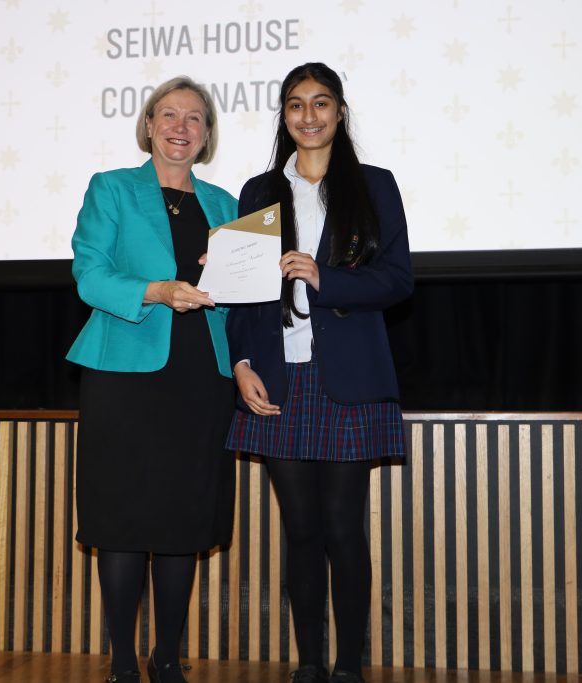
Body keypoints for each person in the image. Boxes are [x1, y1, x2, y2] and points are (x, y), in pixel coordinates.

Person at [225, 63, 413, 683]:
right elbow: (242, 294)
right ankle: (309, 664)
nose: (309, 116)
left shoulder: (374, 186)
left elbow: (397, 280)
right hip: (278, 377)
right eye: (296, 105)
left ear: (339, 112)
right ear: (284, 116)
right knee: (301, 529)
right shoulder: (258, 191)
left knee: (343, 528)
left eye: (321, 103)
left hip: (347, 379)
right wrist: (241, 363)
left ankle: (348, 666)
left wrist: (322, 276)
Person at [67, 76, 236, 683]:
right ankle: (122, 661)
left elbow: (240, 296)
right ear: (148, 125)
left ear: (207, 134)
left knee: (181, 519)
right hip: (124, 376)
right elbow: (90, 274)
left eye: (194, 118)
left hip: (201, 377)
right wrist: (157, 291)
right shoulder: (111, 188)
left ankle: (166, 657)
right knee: (121, 516)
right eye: (168, 115)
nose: (180, 127)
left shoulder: (226, 205)